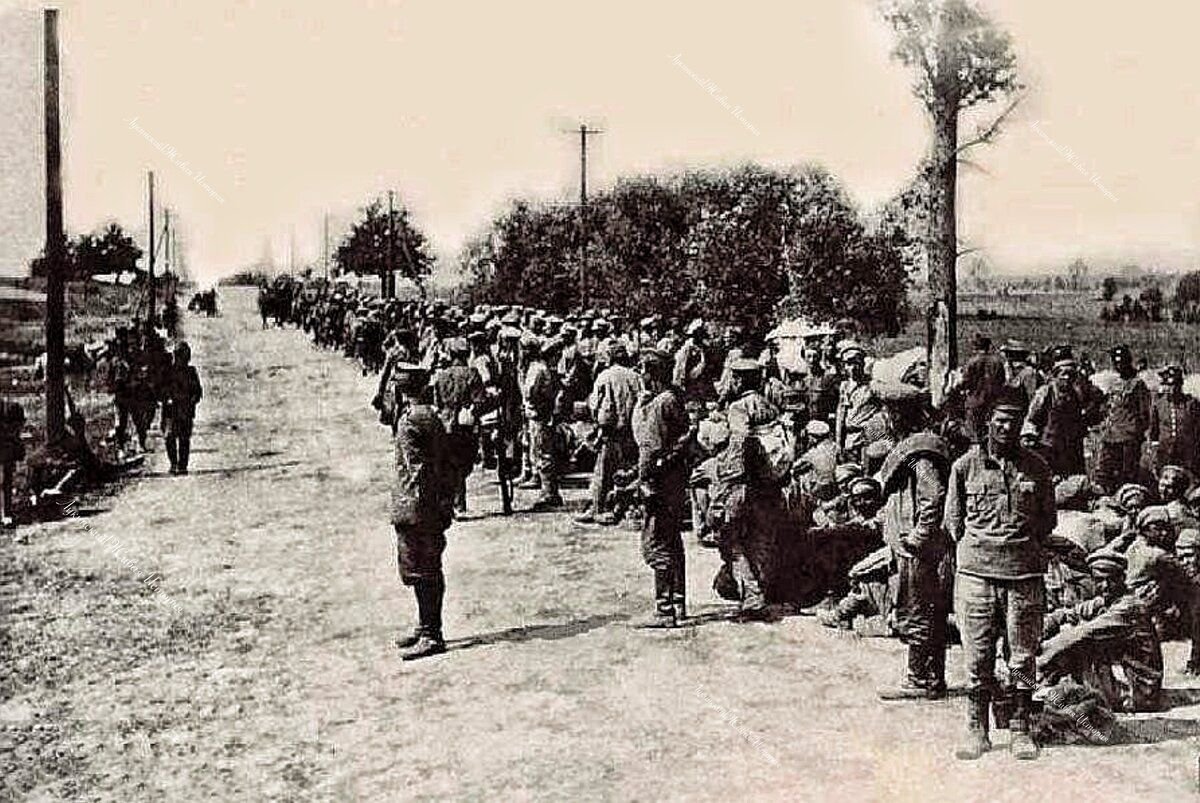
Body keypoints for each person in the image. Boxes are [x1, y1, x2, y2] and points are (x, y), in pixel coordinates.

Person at [944, 387, 1085, 761]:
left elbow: (1047, 521)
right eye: (1000, 418)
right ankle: (977, 729)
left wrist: (1018, 546)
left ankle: (1021, 727)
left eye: (1014, 419)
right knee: (977, 658)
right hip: (975, 575)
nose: (1007, 426)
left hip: (1023, 577)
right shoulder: (965, 466)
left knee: (1022, 658)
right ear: (987, 421)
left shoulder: (1036, 467)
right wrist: (982, 550)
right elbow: (953, 523)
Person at [875, 384, 953, 701]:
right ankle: (934, 678)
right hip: (916, 546)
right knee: (929, 612)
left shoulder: (917, 455)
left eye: (889, 413)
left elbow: (932, 497)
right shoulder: (912, 450)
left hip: (919, 550)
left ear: (898, 415)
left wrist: (917, 537)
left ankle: (918, 678)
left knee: (919, 610)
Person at [389, 363, 455, 660]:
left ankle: (432, 633)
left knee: (424, 568)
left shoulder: (417, 418)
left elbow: (422, 471)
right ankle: (425, 625)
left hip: (418, 506)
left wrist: (419, 507)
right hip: (419, 503)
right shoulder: (419, 414)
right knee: (418, 568)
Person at [631, 349, 690, 627]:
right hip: (675, 480)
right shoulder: (674, 398)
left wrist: (642, 481)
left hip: (659, 482)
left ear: (651, 373)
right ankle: (678, 603)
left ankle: (664, 609)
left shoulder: (658, 405)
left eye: (643, 370)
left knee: (655, 544)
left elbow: (649, 449)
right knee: (673, 542)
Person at [579, 341, 641, 525]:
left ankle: (599, 509)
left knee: (603, 471)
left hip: (610, 430)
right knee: (629, 469)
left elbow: (594, 404)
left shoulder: (604, 376)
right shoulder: (635, 376)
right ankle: (628, 506)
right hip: (631, 430)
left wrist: (597, 423)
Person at [1023, 347, 1102, 478]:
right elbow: (1032, 418)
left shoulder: (1076, 394)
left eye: (1071, 374)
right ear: (1055, 374)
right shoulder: (1046, 392)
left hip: (1071, 446)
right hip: (1048, 447)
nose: (1067, 377)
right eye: (1063, 374)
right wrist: (1028, 438)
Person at [1094, 345, 1150, 493]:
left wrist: (1137, 434)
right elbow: (1109, 407)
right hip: (1111, 435)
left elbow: (1145, 413)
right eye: (1116, 363)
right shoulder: (1115, 383)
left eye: (1122, 362)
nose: (1119, 366)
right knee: (1105, 473)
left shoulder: (1138, 384)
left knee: (1127, 474)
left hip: (1128, 437)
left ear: (1128, 362)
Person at [520, 337, 563, 510]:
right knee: (540, 452)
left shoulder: (537, 369)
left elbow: (531, 392)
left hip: (539, 415)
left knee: (542, 453)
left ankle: (549, 493)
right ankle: (549, 491)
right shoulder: (539, 368)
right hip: (537, 414)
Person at [1148, 364, 1200, 477]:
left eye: (1176, 385)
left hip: (1187, 453)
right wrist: (1154, 452)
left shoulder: (1191, 404)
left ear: (1181, 385)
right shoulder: (1159, 404)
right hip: (1165, 452)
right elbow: (1154, 432)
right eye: (1169, 385)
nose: (1172, 389)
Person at [162, 342, 203, 475]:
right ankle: (173, 463)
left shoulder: (191, 372)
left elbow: (198, 391)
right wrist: (166, 398)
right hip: (170, 410)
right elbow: (160, 389)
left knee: (184, 439)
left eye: (183, 356)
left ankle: (182, 465)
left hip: (185, 410)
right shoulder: (168, 372)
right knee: (169, 437)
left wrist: (191, 402)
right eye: (178, 355)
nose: (179, 359)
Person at [959, 334, 1008, 443]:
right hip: (993, 401)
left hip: (975, 401)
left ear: (975, 347)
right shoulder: (997, 362)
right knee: (992, 431)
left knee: (974, 433)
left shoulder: (972, 362)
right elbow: (1002, 381)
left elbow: (964, 382)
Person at [0, 398, 25, 528]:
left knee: (6, 480)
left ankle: (6, 513)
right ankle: (6, 513)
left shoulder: (11, 408)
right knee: (5, 481)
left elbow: (16, 432)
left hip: (6, 447)